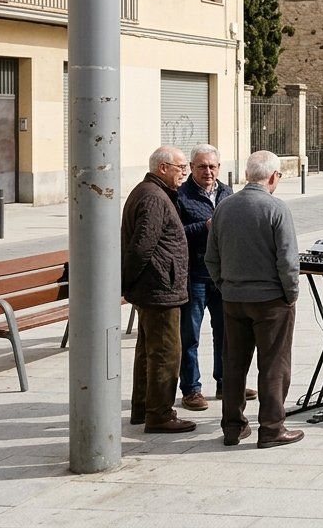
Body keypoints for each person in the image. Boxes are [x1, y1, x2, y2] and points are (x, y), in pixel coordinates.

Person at [205, 150, 303, 448]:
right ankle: (272, 428)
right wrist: (291, 294)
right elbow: (288, 260)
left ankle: (233, 427)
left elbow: (211, 257)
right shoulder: (276, 208)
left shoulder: (224, 207)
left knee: (234, 363)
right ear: (274, 176)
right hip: (270, 300)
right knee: (274, 364)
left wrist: (226, 286)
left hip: (234, 299)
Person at [122, 146, 195, 433]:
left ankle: (143, 407)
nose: (184, 173)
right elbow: (142, 246)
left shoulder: (150, 192)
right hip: (159, 289)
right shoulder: (154, 197)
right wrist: (126, 282)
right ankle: (160, 413)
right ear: (163, 168)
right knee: (166, 353)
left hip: (154, 287)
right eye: (180, 167)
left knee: (148, 350)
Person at [176, 144, 253, 413]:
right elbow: (175, 233)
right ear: (191, 168)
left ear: (219, 168)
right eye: (202, 166)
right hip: (194, 275)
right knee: (190, 336)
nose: (208, 171)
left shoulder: (227, 192)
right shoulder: (181, 196)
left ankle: (226, 383)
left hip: (222, 275)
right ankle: (191, 389)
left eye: (212, 166)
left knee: (226, 333)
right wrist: (204, 226)